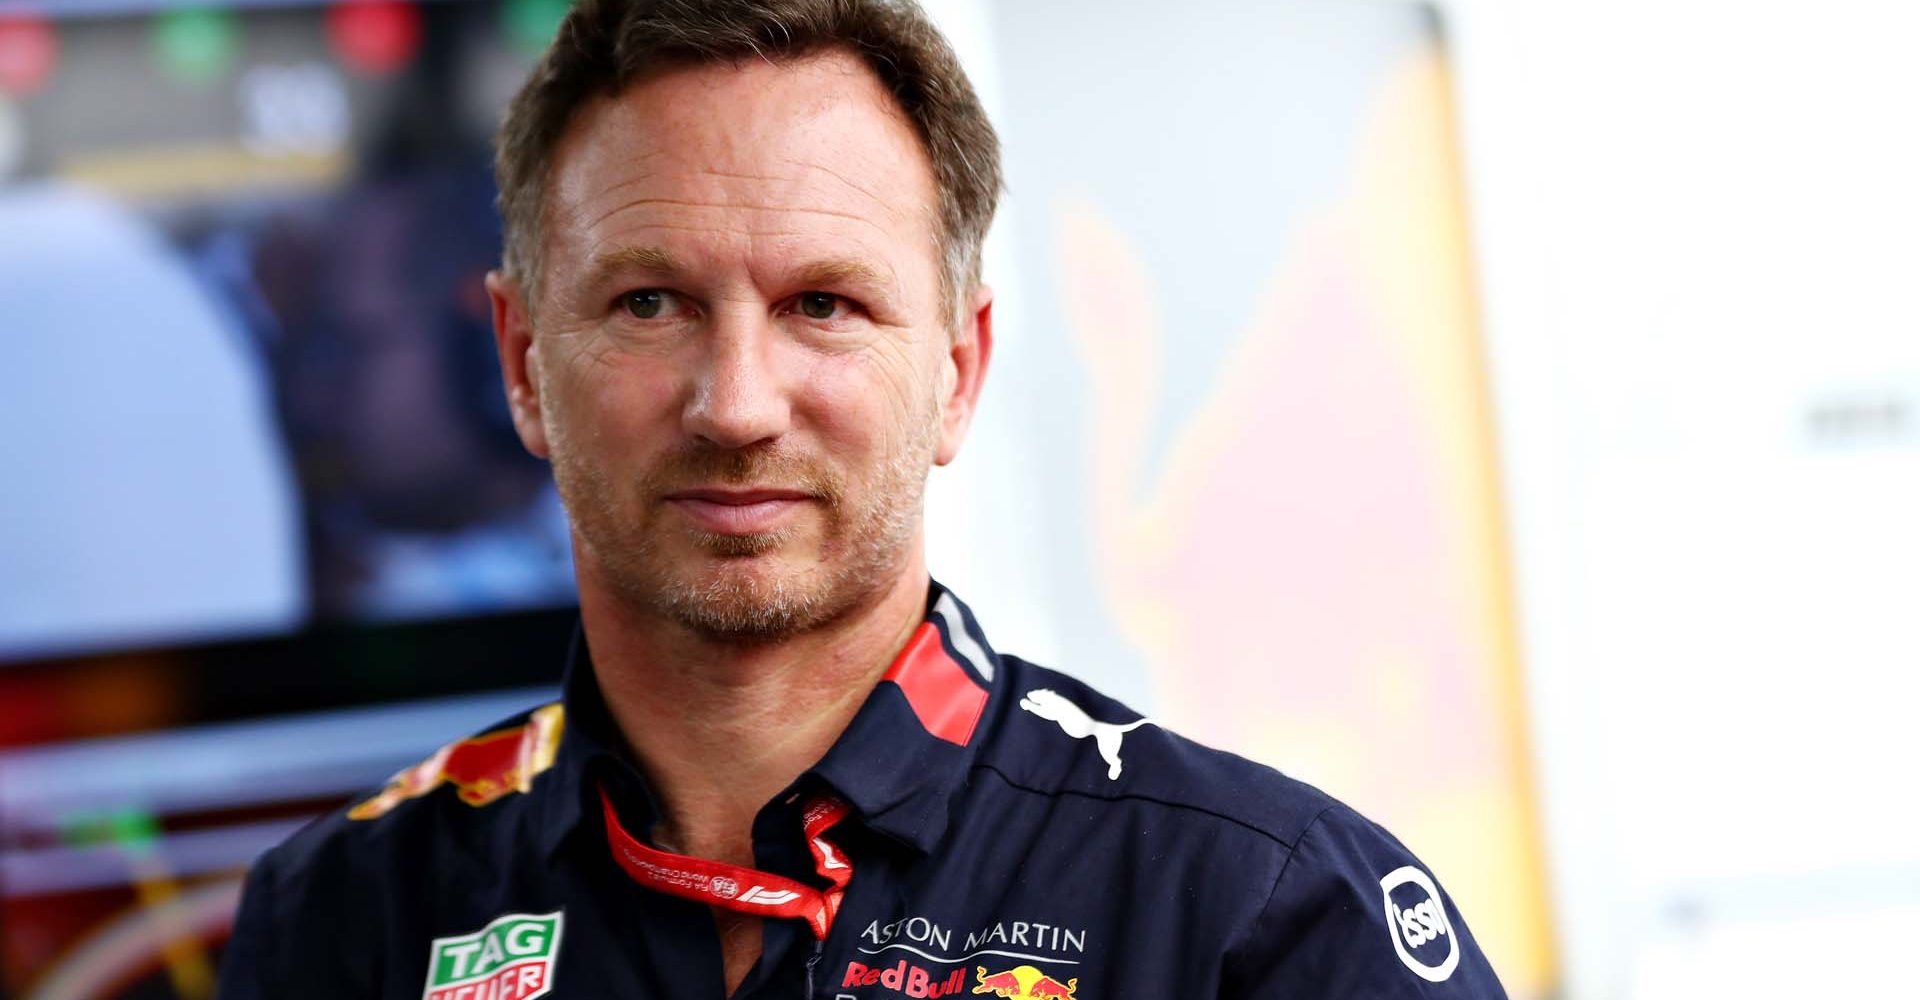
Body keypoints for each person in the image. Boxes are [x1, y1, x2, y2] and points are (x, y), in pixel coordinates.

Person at [216, 1, 1511, 998]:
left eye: (822, 304)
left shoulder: (1261, 915)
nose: (735, 403)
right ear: (523, 364)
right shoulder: (343, 919)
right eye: (649, 302)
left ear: (958, 370)